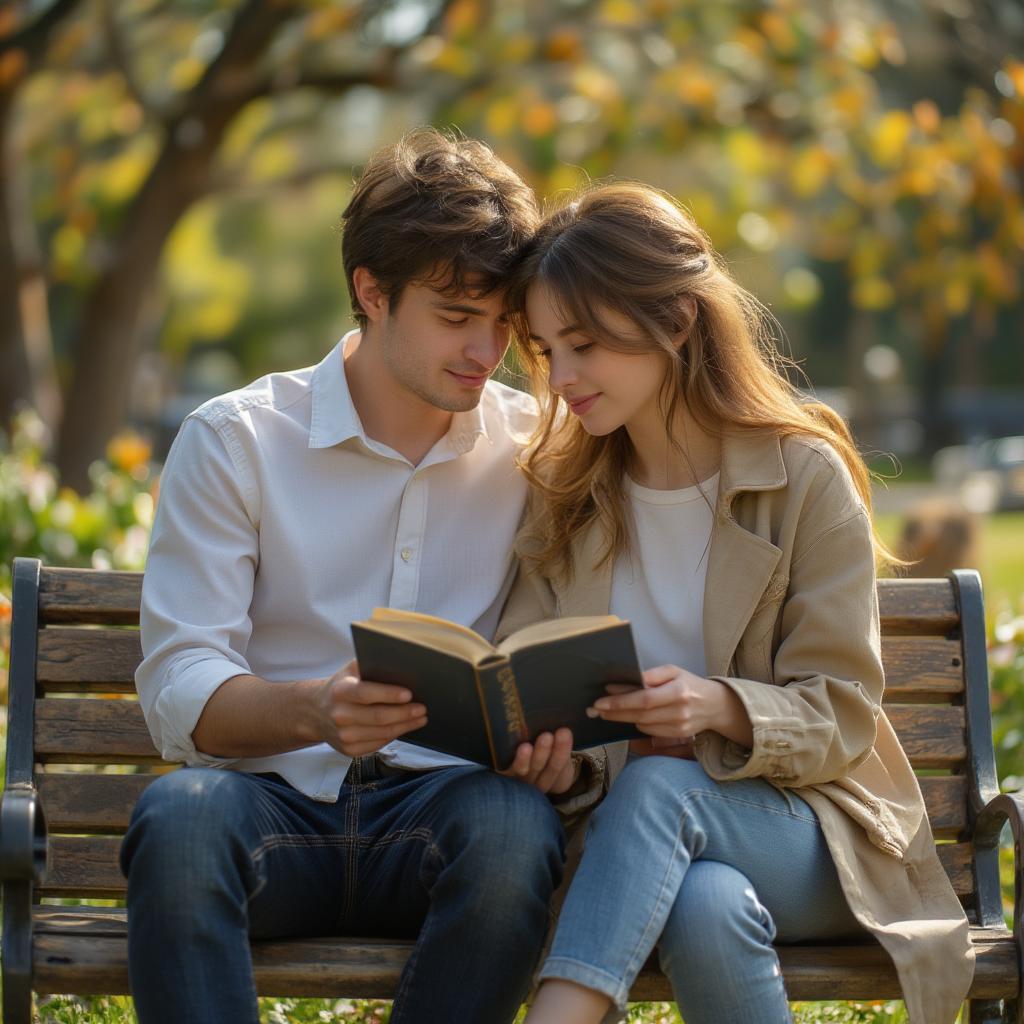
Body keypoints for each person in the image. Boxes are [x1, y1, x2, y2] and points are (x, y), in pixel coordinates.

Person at [121, 129, 598, 1024]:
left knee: (512, 831)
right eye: (456, 318)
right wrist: (313, 709)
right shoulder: (236, 441)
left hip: (445, 814)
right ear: (370, 293)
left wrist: (553, 751)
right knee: (179, 821)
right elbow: (181, 688)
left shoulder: (539, 450)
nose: (485, 350)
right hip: (267, 810)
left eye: (504, 323)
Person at [496, 182, 974, 1024]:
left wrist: (715, 705)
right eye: (544, 350)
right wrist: (551, 757)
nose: (562, 378)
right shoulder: (565, 497)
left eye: (584, 345)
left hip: (810, 833)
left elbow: (843, 716)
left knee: (659, 792)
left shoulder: (802, 479)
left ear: (675, 322)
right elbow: (533, 684)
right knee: (705, 906)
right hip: (641, 846)